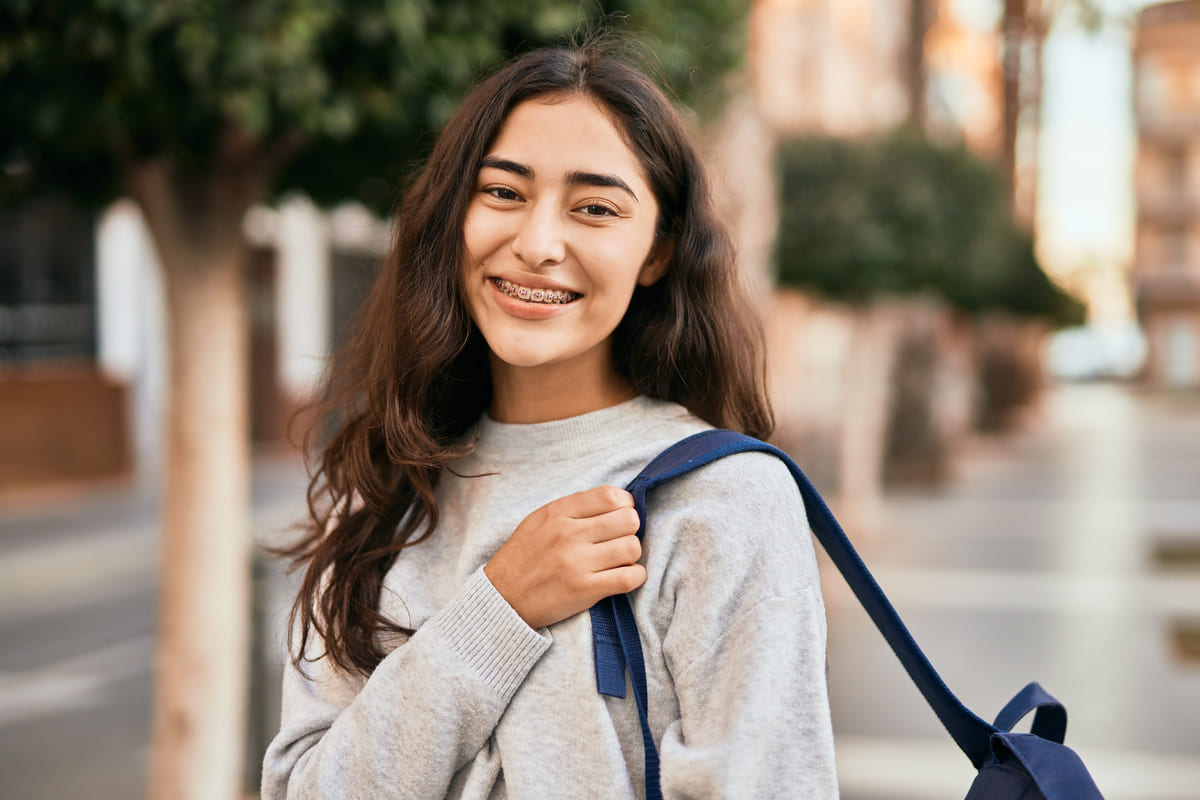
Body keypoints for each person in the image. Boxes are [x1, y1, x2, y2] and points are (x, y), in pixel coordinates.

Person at [262, 38, 838, 799]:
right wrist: (499, 609)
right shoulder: (380, 489)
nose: (536, 244)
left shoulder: (721, 502)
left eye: (594, 208)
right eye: (502, 192)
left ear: (657, 251)